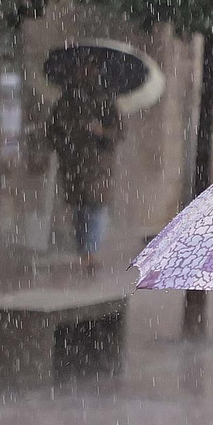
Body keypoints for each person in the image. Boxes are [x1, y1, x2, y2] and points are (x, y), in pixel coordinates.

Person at [44, 58, 123, 275]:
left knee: (95, 208)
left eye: (89, 67)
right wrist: (65, 144)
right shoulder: (66, 101)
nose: (84, 72)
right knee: (80, 210)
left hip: (98, 167)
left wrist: (102, 132)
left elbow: (119, 132)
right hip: (73, 166)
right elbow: (52, 131)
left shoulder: (106, 100)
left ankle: (90, 254)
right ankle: (85, 253)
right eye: (80, 68)